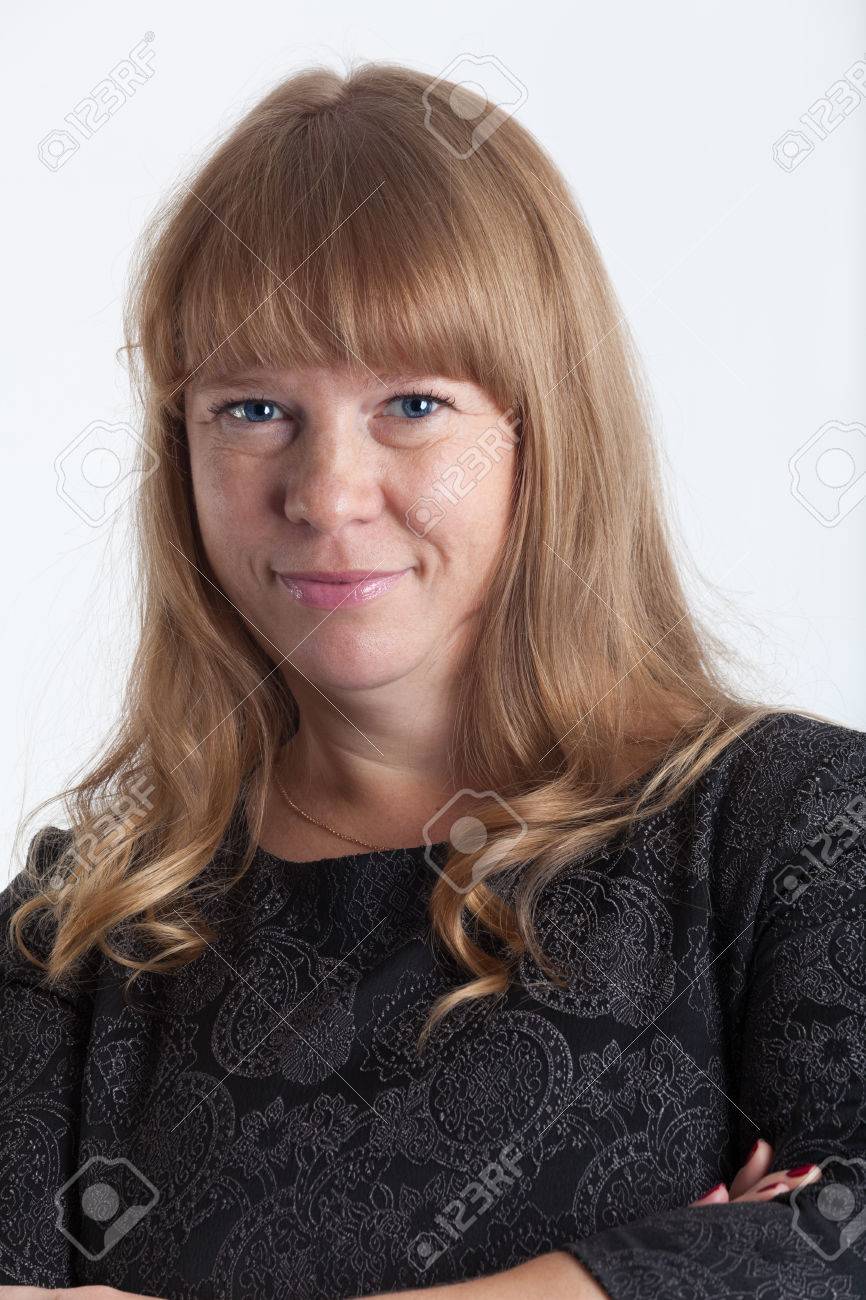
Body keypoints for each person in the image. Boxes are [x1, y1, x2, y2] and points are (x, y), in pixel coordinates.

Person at [2, 60, 865, 1300]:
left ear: (542, 431)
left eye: (411, 402)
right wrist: (649, 1271)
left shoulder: (789, 835)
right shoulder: (74, 944)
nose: (327, 493)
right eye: (251, 409)